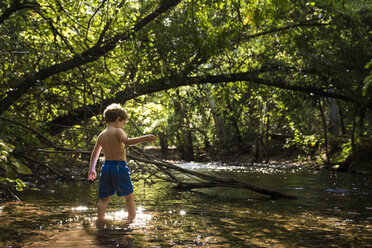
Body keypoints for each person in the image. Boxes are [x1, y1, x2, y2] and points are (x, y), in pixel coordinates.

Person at [88, 103, 156, 222]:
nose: (123, 126)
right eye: (124, 123)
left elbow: (95, 154)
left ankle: (100, 220)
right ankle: (131, 219)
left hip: (106, 168)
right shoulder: (118, 131)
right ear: (118, 120)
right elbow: (128, 141)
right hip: (119, 167)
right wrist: (143, 138)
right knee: (128, 196)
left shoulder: (101, 135)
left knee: (104, 198)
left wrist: (92, 169)